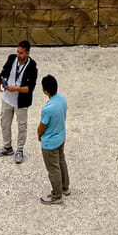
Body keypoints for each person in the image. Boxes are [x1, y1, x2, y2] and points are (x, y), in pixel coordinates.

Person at [0, 40, 39, 163]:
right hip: (7, 98)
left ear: (28, 53)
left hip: (22, 101)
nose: (18, 55)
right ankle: (7, 147)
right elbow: (4, 71)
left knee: (22, 126)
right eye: (18, 52)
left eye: (22, 53)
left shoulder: (32, 66)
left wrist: (16, 89)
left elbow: (30, 88)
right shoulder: (11, 58)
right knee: (5, 123)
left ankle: (20, 150)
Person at [37, 73, 69, 204]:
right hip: (61, 136)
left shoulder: (47, 109)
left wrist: (39, 134)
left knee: (53, 168)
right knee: (61, 161)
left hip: (50, 143)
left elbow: (42, 126)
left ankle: (56, 195)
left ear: (45, 91)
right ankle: (65, 187)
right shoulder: (62, 99)